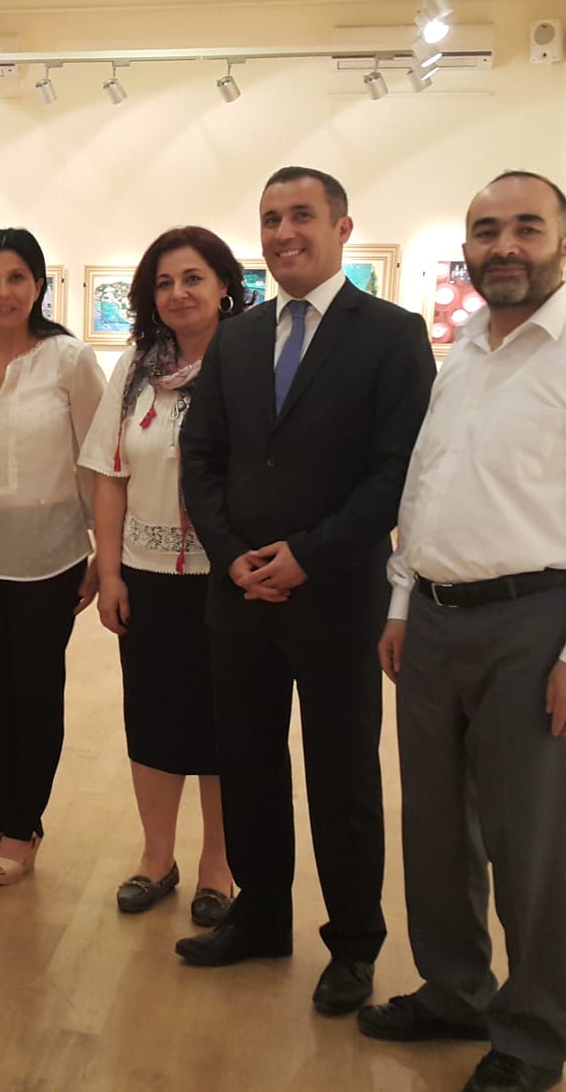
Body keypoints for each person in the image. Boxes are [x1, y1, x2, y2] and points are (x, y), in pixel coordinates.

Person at [359, 171, 566, 1092]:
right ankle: (456, 990)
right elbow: (425, 489)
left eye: (526, 228)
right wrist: (403, 603)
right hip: (436, 620)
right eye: (486, 230)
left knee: (527, 840)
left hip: (539, 625)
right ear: (468, 249)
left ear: (565, 247)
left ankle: (533, 1034)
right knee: (434, 828)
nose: (504, 246)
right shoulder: (464, 356)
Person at [176, 167, 435, 1019]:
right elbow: (202, 457)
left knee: (342, 775)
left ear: (341, 227)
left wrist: (310, 556)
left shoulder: (392, 335)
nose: (283, 232)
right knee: (248, 762)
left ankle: (354, 942)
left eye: (300, 215)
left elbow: (396, 471)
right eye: (269, 218)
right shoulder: (238, 338)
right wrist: (230, 556)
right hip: (240, 597)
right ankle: (260, 915)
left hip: (337, 596)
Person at [78, 226, 243, 924]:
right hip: (146, 575)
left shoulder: (246, 363)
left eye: (193, 278)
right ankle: (156, 858)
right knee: (151, 717)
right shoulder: (135, 370)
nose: (178, 293)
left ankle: (219, 868)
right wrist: (110, 571)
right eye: (164, 283)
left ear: (225, 286)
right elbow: (110, 473)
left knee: (224, 726)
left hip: (227, 576)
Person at [0, 227, 105, 886]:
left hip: (50, 557)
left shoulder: (68, 359)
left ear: (39, 285)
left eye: (17, 277)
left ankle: (25, 824)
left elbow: (99, 460)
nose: (4, 291)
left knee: (35, 692)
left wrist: (104, 553)